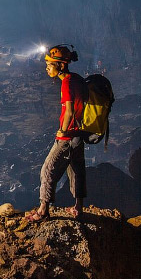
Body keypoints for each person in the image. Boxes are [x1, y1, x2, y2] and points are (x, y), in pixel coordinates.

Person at [25, 45, 87, 222]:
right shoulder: (77, 79)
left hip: (67, 136)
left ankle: (43, 210)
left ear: (60, 65)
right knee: (76, 170)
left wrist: (63, 131)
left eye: (50, 65)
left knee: (48, 170)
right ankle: (78, 207)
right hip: (79, 134)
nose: (47, 68)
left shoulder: (67, 83)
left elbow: (68, 111)